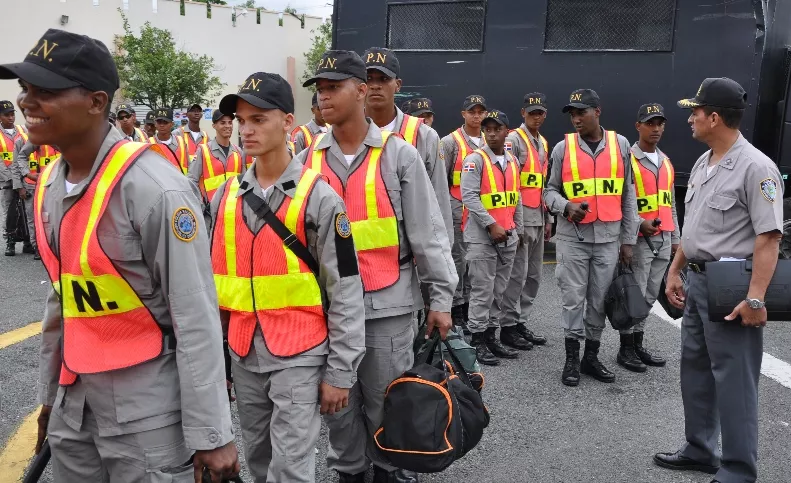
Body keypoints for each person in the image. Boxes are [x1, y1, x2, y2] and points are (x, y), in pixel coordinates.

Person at [0, 28, 239, 482]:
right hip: (75, 408)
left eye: (45, 91)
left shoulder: (154, 188)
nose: (27, 102)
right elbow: (63, 303)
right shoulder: (50, 183)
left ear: (95, 102)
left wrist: (213, 433)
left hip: (144, 414)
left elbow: (195, 314)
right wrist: (49, 399)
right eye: (25, 89)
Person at [300, 50, 456, 483]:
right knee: (338, 401)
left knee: (385, 398)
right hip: (328, 308)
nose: (325, 97)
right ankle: (350, 471)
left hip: (386, 304)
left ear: (361, 91)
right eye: (321, 90)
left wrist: (440, 300)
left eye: (335, 87)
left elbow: (428, 233)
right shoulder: (309, 158)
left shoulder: (399, 155)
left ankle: (388, 469)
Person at [210, 71, 365, 483]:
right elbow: (215, 288)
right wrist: (217, 363)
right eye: (241, 120)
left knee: (291, 465)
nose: (246, 129)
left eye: (258, 119)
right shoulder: (224, 198)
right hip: (244, 352)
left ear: (287, 122)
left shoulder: (320, 197)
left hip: (299, 351)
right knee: (258, 458)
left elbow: (346, 287)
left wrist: (340, 372)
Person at [654, 77, 784, 483]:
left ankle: (739, 468)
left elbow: (769, 237)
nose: (690, 118)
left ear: (714, 117)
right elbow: (695, 228)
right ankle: (700, 448)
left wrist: (757, 299)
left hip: (732, 286)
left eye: (695, 111)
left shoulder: (756, 167)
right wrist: (675, 269)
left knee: (734, 378)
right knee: (694, 368)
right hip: (697, 281)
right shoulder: (704, 161)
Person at [543, 88, 639, 387]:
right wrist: (566, 206)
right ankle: (571, 358)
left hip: (609, 239)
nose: (576, 118)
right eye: (572, 113)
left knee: (598, 301)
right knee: (573, 299)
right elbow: (548, 192)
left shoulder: (620, 144)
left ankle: (591, 356)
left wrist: (628, 240)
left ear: (597, 111)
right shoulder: (563, 148)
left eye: (581, 112)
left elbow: (628, 195)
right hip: (573, 238)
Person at [363, 47, 453, 250]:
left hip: (409, 256)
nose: (375, 86)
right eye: (369, 78)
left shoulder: (424, 135)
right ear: (360, 85)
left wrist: (442, 259)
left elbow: (439, 200)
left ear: (397, 85)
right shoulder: (344, 132)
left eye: (383, 79)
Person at [616, 103, 678, 372]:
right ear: (638, 126)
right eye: (650, 123)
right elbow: (619, 201)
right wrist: (638, 226)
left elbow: (670, 203)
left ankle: (638, 344)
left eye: (660, 124)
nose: (656, 129)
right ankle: (625, 348)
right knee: (635, 296)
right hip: (640, 240)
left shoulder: (665, 161)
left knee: (651, 296)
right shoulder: (627, 159)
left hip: (663, 239)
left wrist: (676, 237)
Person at [460, 109, 524, 365]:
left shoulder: (512, 161)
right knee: (482, 291)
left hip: (507, 237)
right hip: (482, 238)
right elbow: (469, 197)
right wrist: (491, 225)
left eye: (497, 129)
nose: (492, 133)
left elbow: (515, 198)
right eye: (488, 129)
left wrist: (516, 228)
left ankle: (491, 336)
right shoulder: (475, 160)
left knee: (499, 291)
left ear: (507, 131)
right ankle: (476, 340)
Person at [500, 93, 552, 349]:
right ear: (523, 113)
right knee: (517, 275)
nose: (536, 116)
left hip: (538, 215)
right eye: (532, 112)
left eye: (540, 112)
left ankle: (520, 321)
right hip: (522, 217)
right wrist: (515, 222)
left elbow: (544, 182)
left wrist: (549, 217)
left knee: (534, 275)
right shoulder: (513, 140)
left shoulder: (541, 141)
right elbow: (509, 183)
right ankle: (508, 326)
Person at [440, 94, 487, 331]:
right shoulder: (450, 142)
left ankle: (469, 305)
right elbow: (442, 179)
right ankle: (456, 307)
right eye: (472, 111)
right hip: (458, 211)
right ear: (463, 114)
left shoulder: (491, 141)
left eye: (480, 112)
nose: (476, 116)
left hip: (481, 213)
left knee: (476, 262)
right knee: (458, 261)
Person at [12, 135, 61, 260]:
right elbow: (20, 158)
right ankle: (38, 247)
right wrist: (27, 175)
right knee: (34, 218)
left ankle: (57, 247)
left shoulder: (67, 133)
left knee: (56, 217)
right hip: (36, 185)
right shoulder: (37, 136)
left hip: (59, 184)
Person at [187, 109, 244, 207]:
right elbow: (192, 181)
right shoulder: (203, 150)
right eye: (222, 123)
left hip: (233, 209)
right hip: (210, 211)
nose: (227, 126)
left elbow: (244, 182)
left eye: (230, 123)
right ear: (214, 126)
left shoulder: (239, 152)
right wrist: (200, 204)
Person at [0, 100, 27, 256]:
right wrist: (11, 178)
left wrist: (23, 175)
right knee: (9, 210)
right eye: (6, 115)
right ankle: (10, 241)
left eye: (12, 114)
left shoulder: (23, 130)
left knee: (26, 210)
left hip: (23, 176)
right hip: (7, 180)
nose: (10, 118)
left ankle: (27, 241)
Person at [150, 108, 189, 174]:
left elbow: (189, 166)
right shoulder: (148, 144)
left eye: (165, 122)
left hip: (179, 182)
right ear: (155, 124)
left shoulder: (181, 142)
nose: (162, 125)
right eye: (159, 122)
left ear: (172, 124)